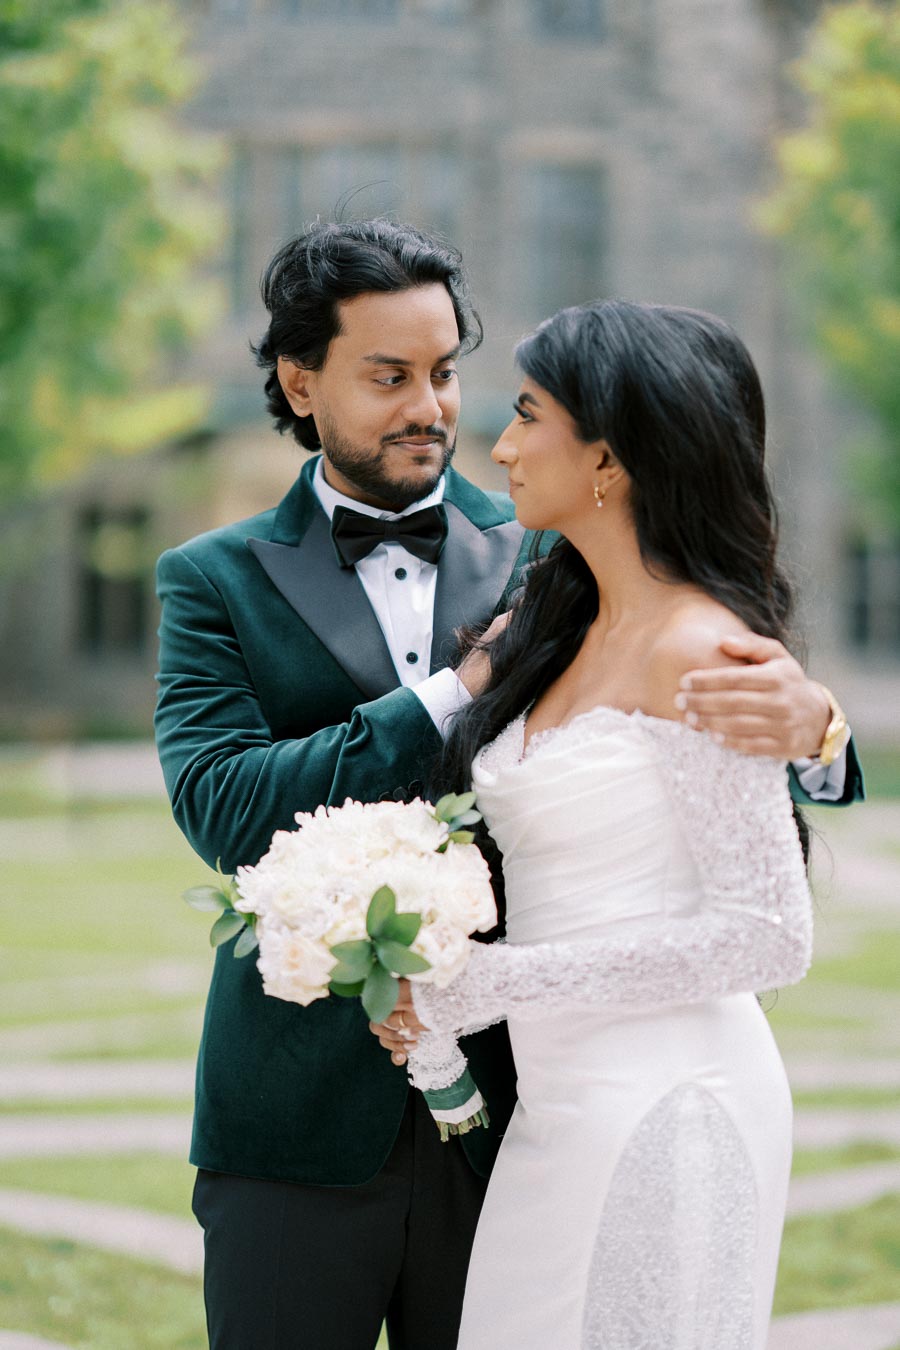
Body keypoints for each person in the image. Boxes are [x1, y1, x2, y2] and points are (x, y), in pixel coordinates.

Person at [154, 221, 860, 1350]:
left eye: (445, 372)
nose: (433, 408)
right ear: (300, 381)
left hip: (519, 1101)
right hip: (292, 1117)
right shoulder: (210, 579)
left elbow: (705, 693)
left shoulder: (554, 548)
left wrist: (820, 729)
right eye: (389, 376)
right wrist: (456, 689)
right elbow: (226, 809)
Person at [372, 300, 862, 1349]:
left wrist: (492, 983)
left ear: (609, 458)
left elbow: (769, 936)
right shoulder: (561, 621)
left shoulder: (702, 650)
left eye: (526, 414)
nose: (500, 446)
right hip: (561, 1104)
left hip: (670, 1099)